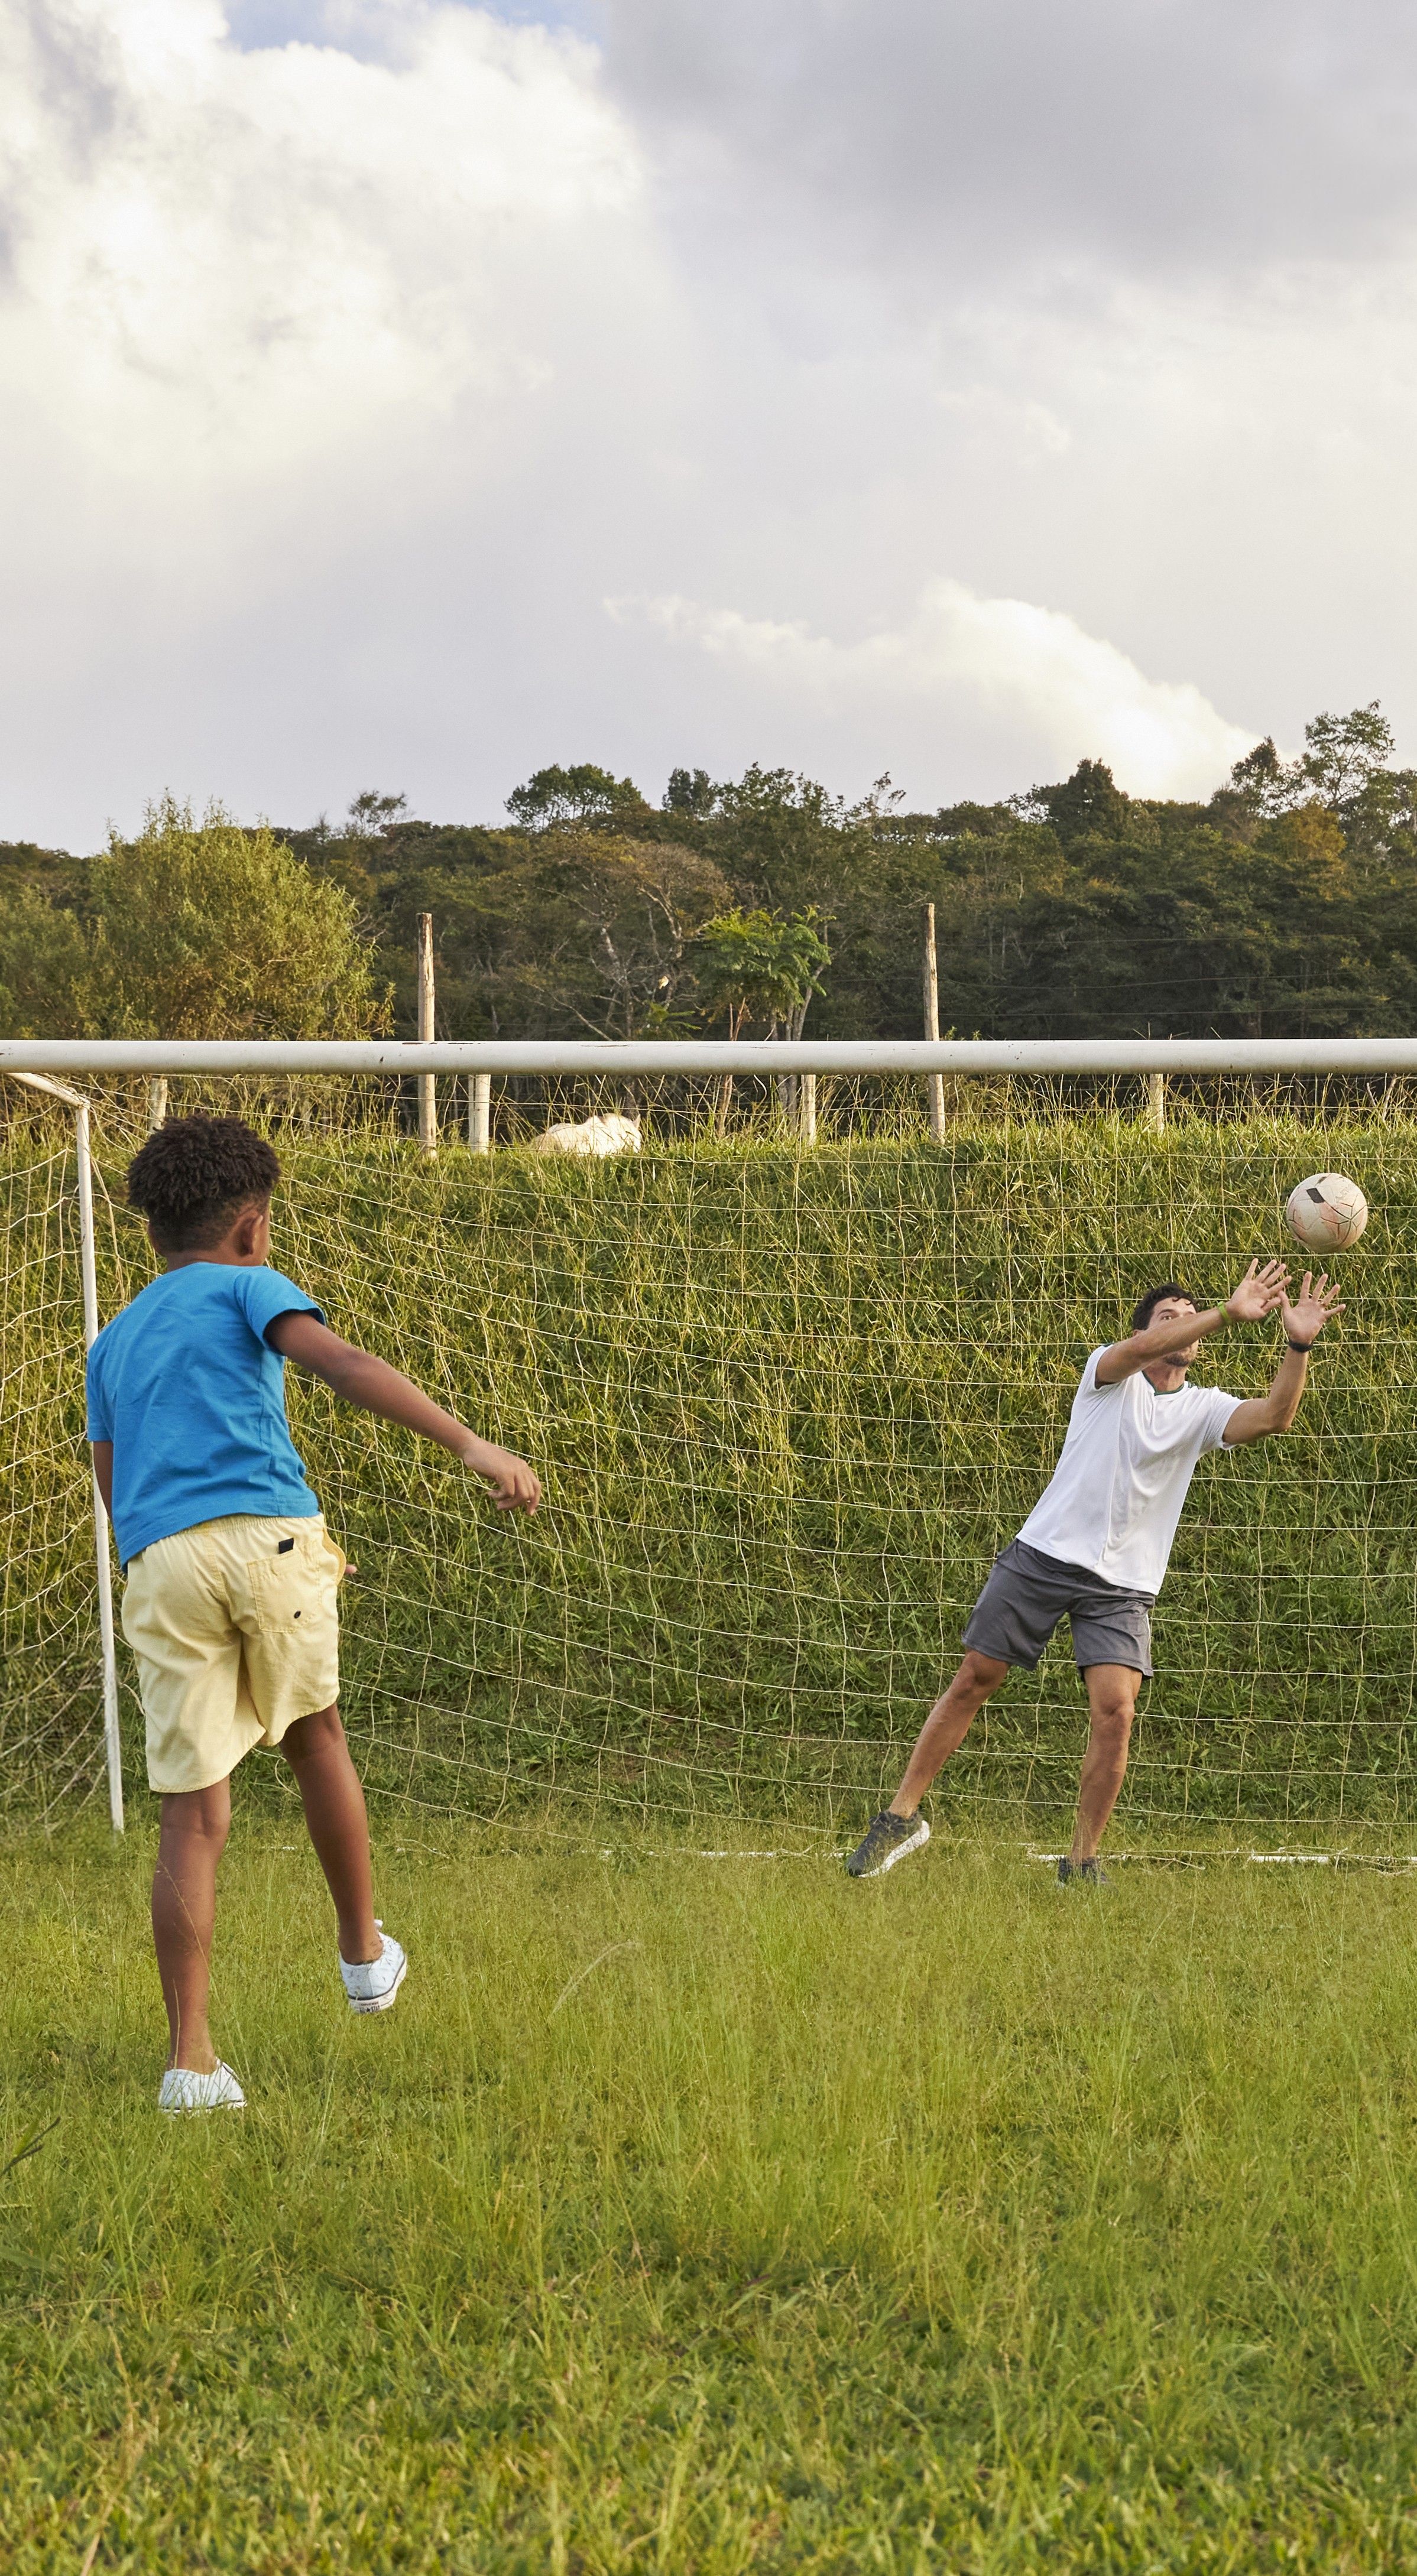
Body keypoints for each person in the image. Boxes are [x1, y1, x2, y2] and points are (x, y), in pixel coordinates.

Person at [86, 1115, 541, 2113]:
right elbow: (341, 1364)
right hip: (269, 1542)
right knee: (315, 1737)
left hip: (160, 1561)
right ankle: (363, 1953)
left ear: (153, 1229)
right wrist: (472, 1445)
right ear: (252, 1226)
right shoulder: (249, 1285)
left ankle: (190, 2063)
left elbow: (115, 1488)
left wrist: (173, 1567)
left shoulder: (112, 1341)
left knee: (193, 1813)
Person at [845, 1259, 1343, 1885]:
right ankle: (900, 1817)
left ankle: (1080, 1863)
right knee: (975, 1677)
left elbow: (1274, 1416)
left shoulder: (1203, 1408)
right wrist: (1224, 1313)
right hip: (1044, 1555)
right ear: (1144, 1332)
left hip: (1124, 1586)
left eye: (1190, 1317)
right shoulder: (1109, 1374)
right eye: (1169, 1317)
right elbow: (1136, 1351)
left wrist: (1298, 1345)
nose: (1184, 1324)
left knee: (1117, 1713)